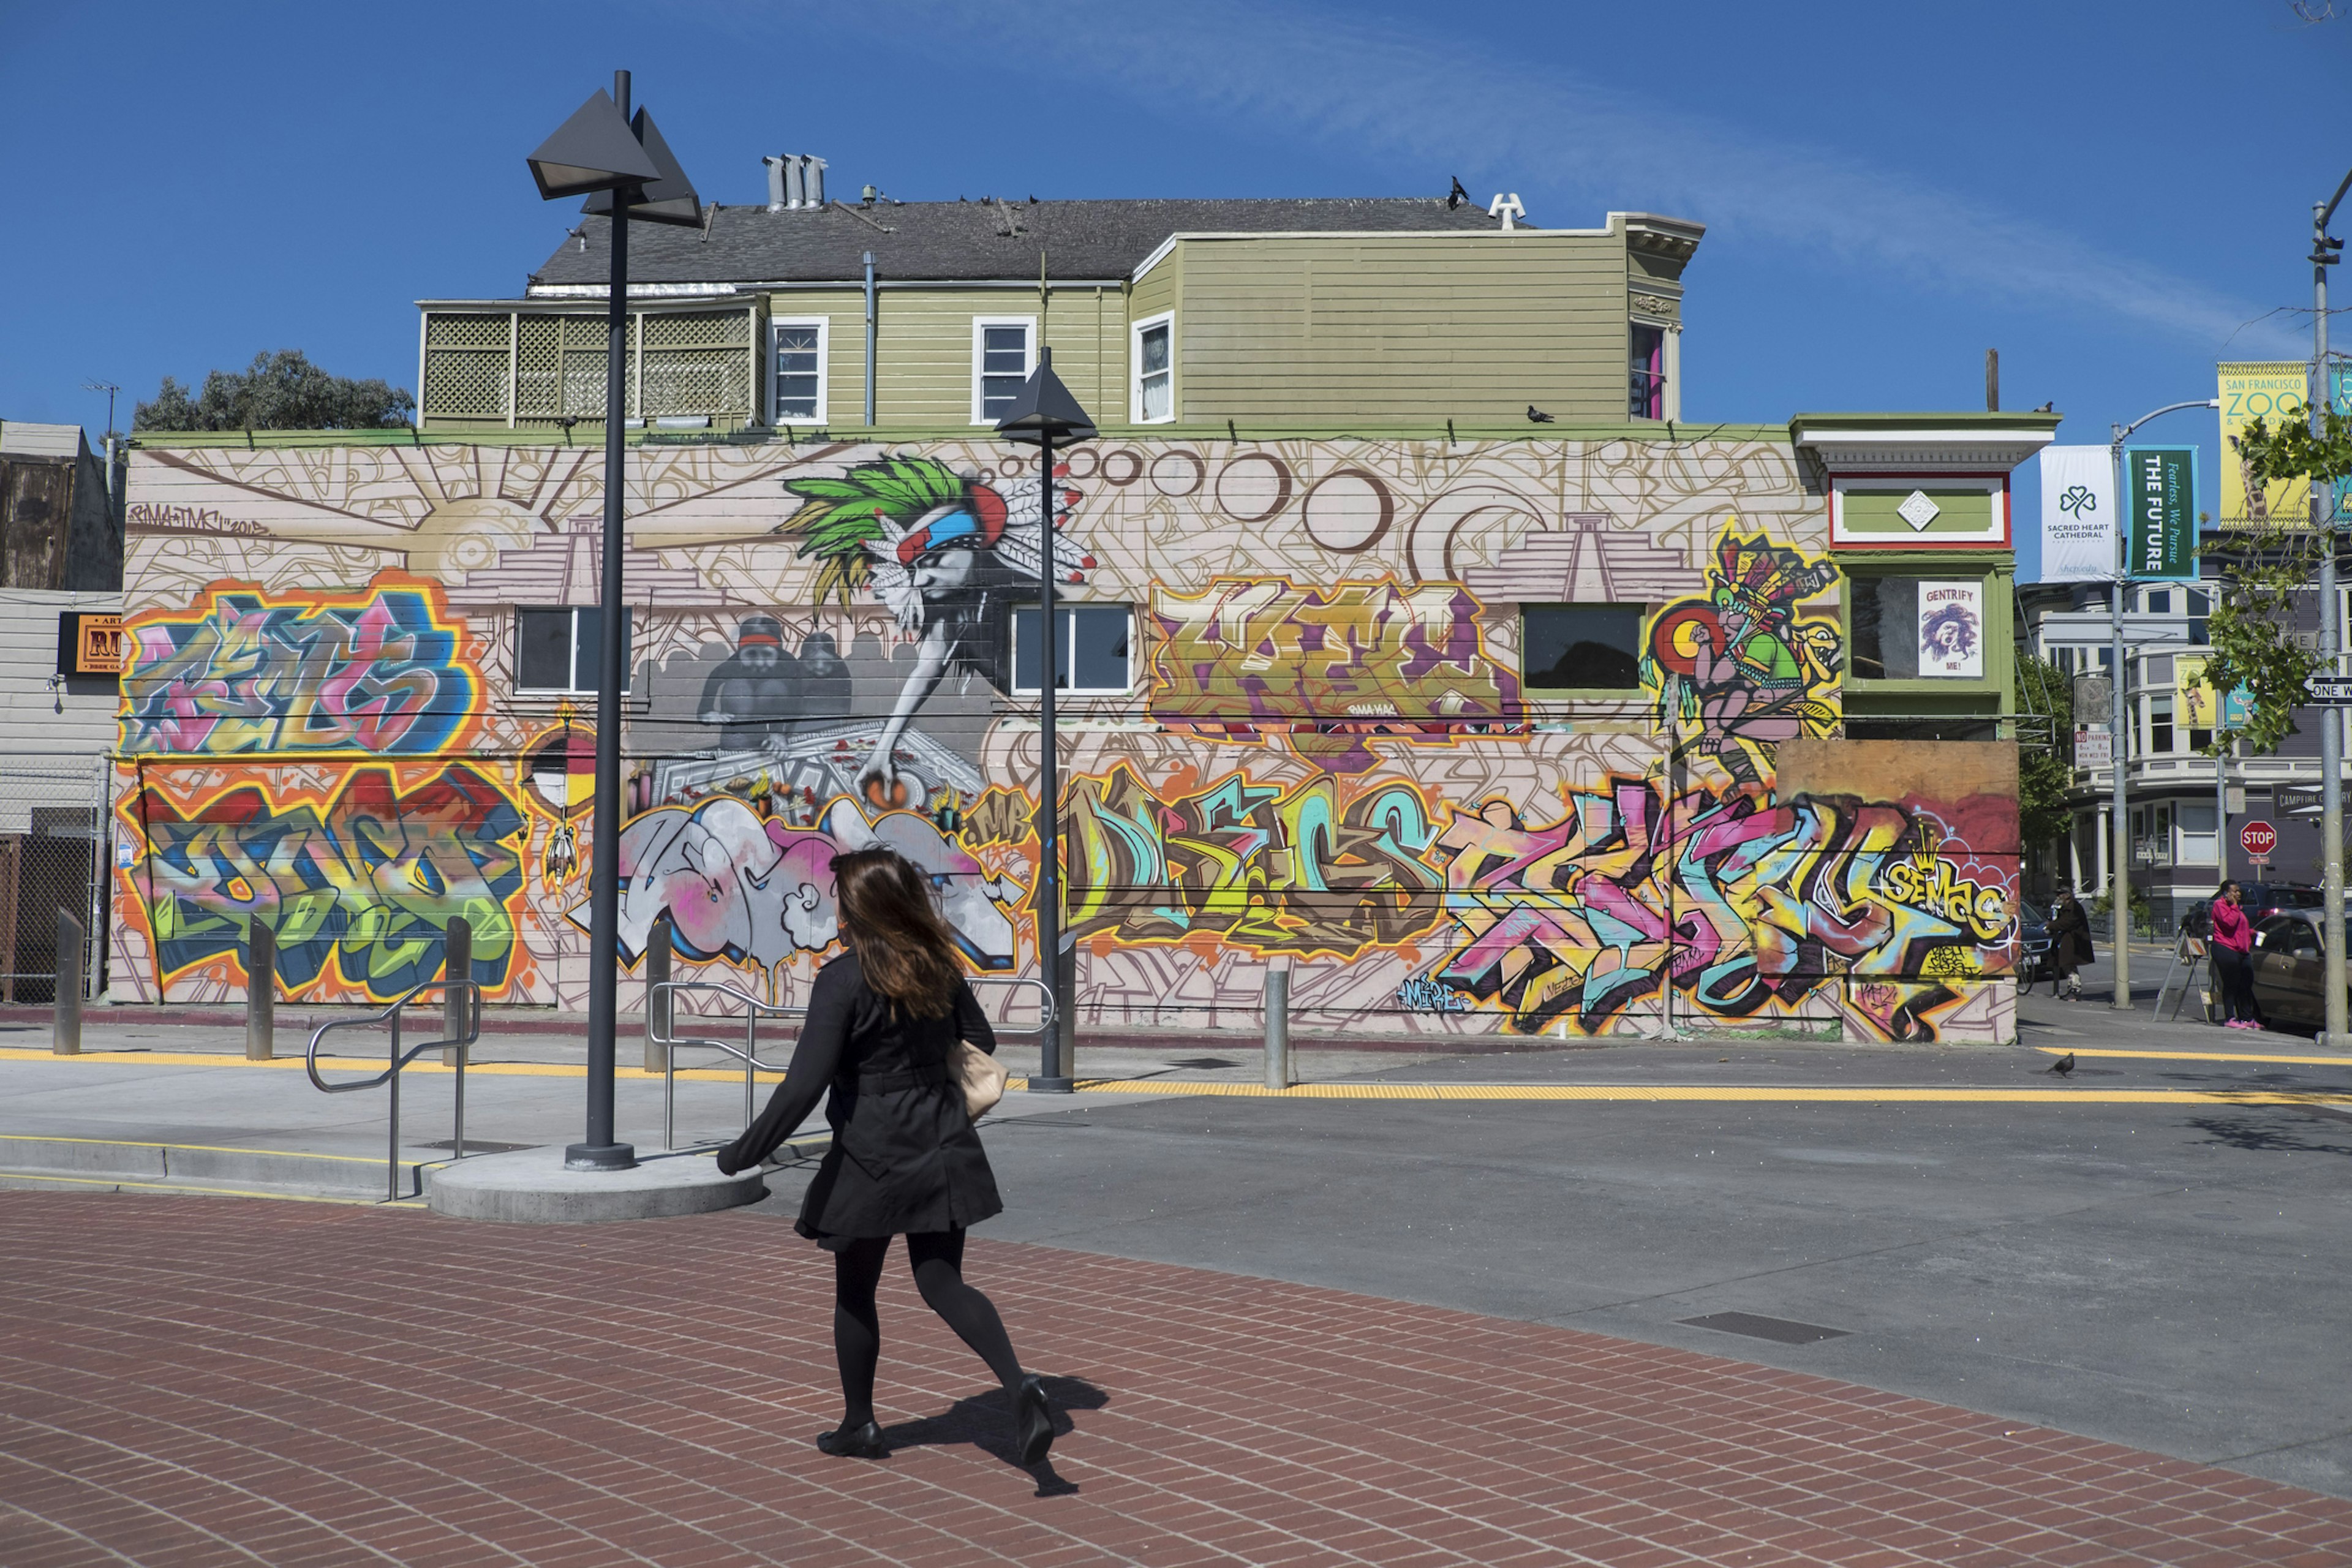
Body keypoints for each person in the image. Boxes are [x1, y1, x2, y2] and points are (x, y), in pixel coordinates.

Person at [715, 847, 1052, 1465]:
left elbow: (803, 1084)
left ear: (859, 907)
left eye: (841, 896)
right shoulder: (938, 968)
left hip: (870, 1153)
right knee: (942, 1281)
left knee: (856, 1289)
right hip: (942, 1141)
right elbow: (981, 1039)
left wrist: (744, 1151)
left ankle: (860, 1424)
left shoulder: (843, 980)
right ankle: (1020, 1385)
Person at [2208, 880, 2259, 1029]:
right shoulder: (2220, 905)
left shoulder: (2238, 909)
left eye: (2239, 891)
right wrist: (2235, 907)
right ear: (2226, 893)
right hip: (2225, 948)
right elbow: (2229, 923)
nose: (2238, 894)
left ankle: (2247, 1018)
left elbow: (2238, 928)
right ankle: (2230, 1017)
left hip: (2242, 950)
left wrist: (2251, 933)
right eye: (2235, 891)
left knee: (2246, 983)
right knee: (2232, 983)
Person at [2048, 887, 2090, 1000]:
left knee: (2069, 964)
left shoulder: (2074, 908)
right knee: (2066, 965)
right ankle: (2071, 989)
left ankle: (2075, 990)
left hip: (2074, 941)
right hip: (2066, 940)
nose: (2058, 897)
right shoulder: (2064, 908)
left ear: (2067, 895)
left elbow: (2067, 923)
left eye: (2060, 894)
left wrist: (2051, 926)